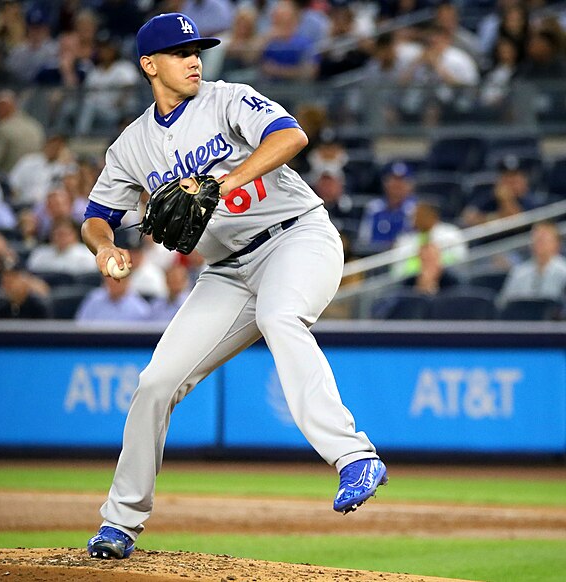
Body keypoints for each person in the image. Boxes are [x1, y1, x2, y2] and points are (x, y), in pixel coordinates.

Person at [82, 12, 386, 560]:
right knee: (155, 383)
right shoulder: (133, 145)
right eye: (181, 51)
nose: (194, 58)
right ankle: (119, 523)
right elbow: (96, 216)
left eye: (197, 48)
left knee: (280, 318)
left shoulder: (228, 99)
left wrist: (224, 179)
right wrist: (105, 247)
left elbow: (292, 135)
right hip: (227, 272)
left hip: (298, 238)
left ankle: (353, 456)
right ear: (150, 65)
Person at [392, 199, 468, 279]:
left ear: (434, 215)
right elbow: (397, 270)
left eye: (422, 215)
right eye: (415, 215)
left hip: (447, 278)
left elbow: (460, 258)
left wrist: (433, 268)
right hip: (411, 282)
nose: (417, 218)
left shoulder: (450, 233)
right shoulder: (405, 240)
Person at [497, 221, 566, 308]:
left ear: (557, 243)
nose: (539, 242)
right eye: (536, 238)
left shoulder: (564, 271)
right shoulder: (519, 272)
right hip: (522, 318)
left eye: (544, 239)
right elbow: (503, 304)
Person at [356, 161, 417, 255]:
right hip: (373, 257)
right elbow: (364, 239)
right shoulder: (374, 208)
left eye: (402, 180)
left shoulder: (415, 209)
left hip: (403, 258)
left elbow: (414, 240)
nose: (397, 185)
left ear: (410, 185)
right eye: (394, 180)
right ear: (385, 182)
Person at [0, 90, 46, 175]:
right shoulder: (35, 125)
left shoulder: (2, 129)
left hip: (10, 180)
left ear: (3, 107)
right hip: (37, 177)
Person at [75, 272, 152, 324]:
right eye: (110, 277)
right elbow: (80, 326)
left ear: (128, 281)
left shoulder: (140, 309)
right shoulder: (94, 299)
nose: (113, 282)